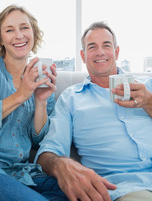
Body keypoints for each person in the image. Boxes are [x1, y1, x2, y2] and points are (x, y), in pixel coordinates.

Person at [36, 21, 152, 201]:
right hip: (125, 187)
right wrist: (59, 165)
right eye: (92, 47)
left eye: (106, 45)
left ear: (117, 51)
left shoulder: (147, 86)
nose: (100, 52)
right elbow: (49, 150)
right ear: (83, 56)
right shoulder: (71, 98)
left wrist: (150, 102)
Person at [0, 4, 65, 201]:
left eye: (24, 27)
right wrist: (21, 94)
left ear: (34, 33)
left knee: (79, 194)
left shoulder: (41, 76)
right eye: (9, 30)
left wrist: (41, 101)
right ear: (0, 38)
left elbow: (38, 141)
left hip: (25, 173)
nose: (19, 35)